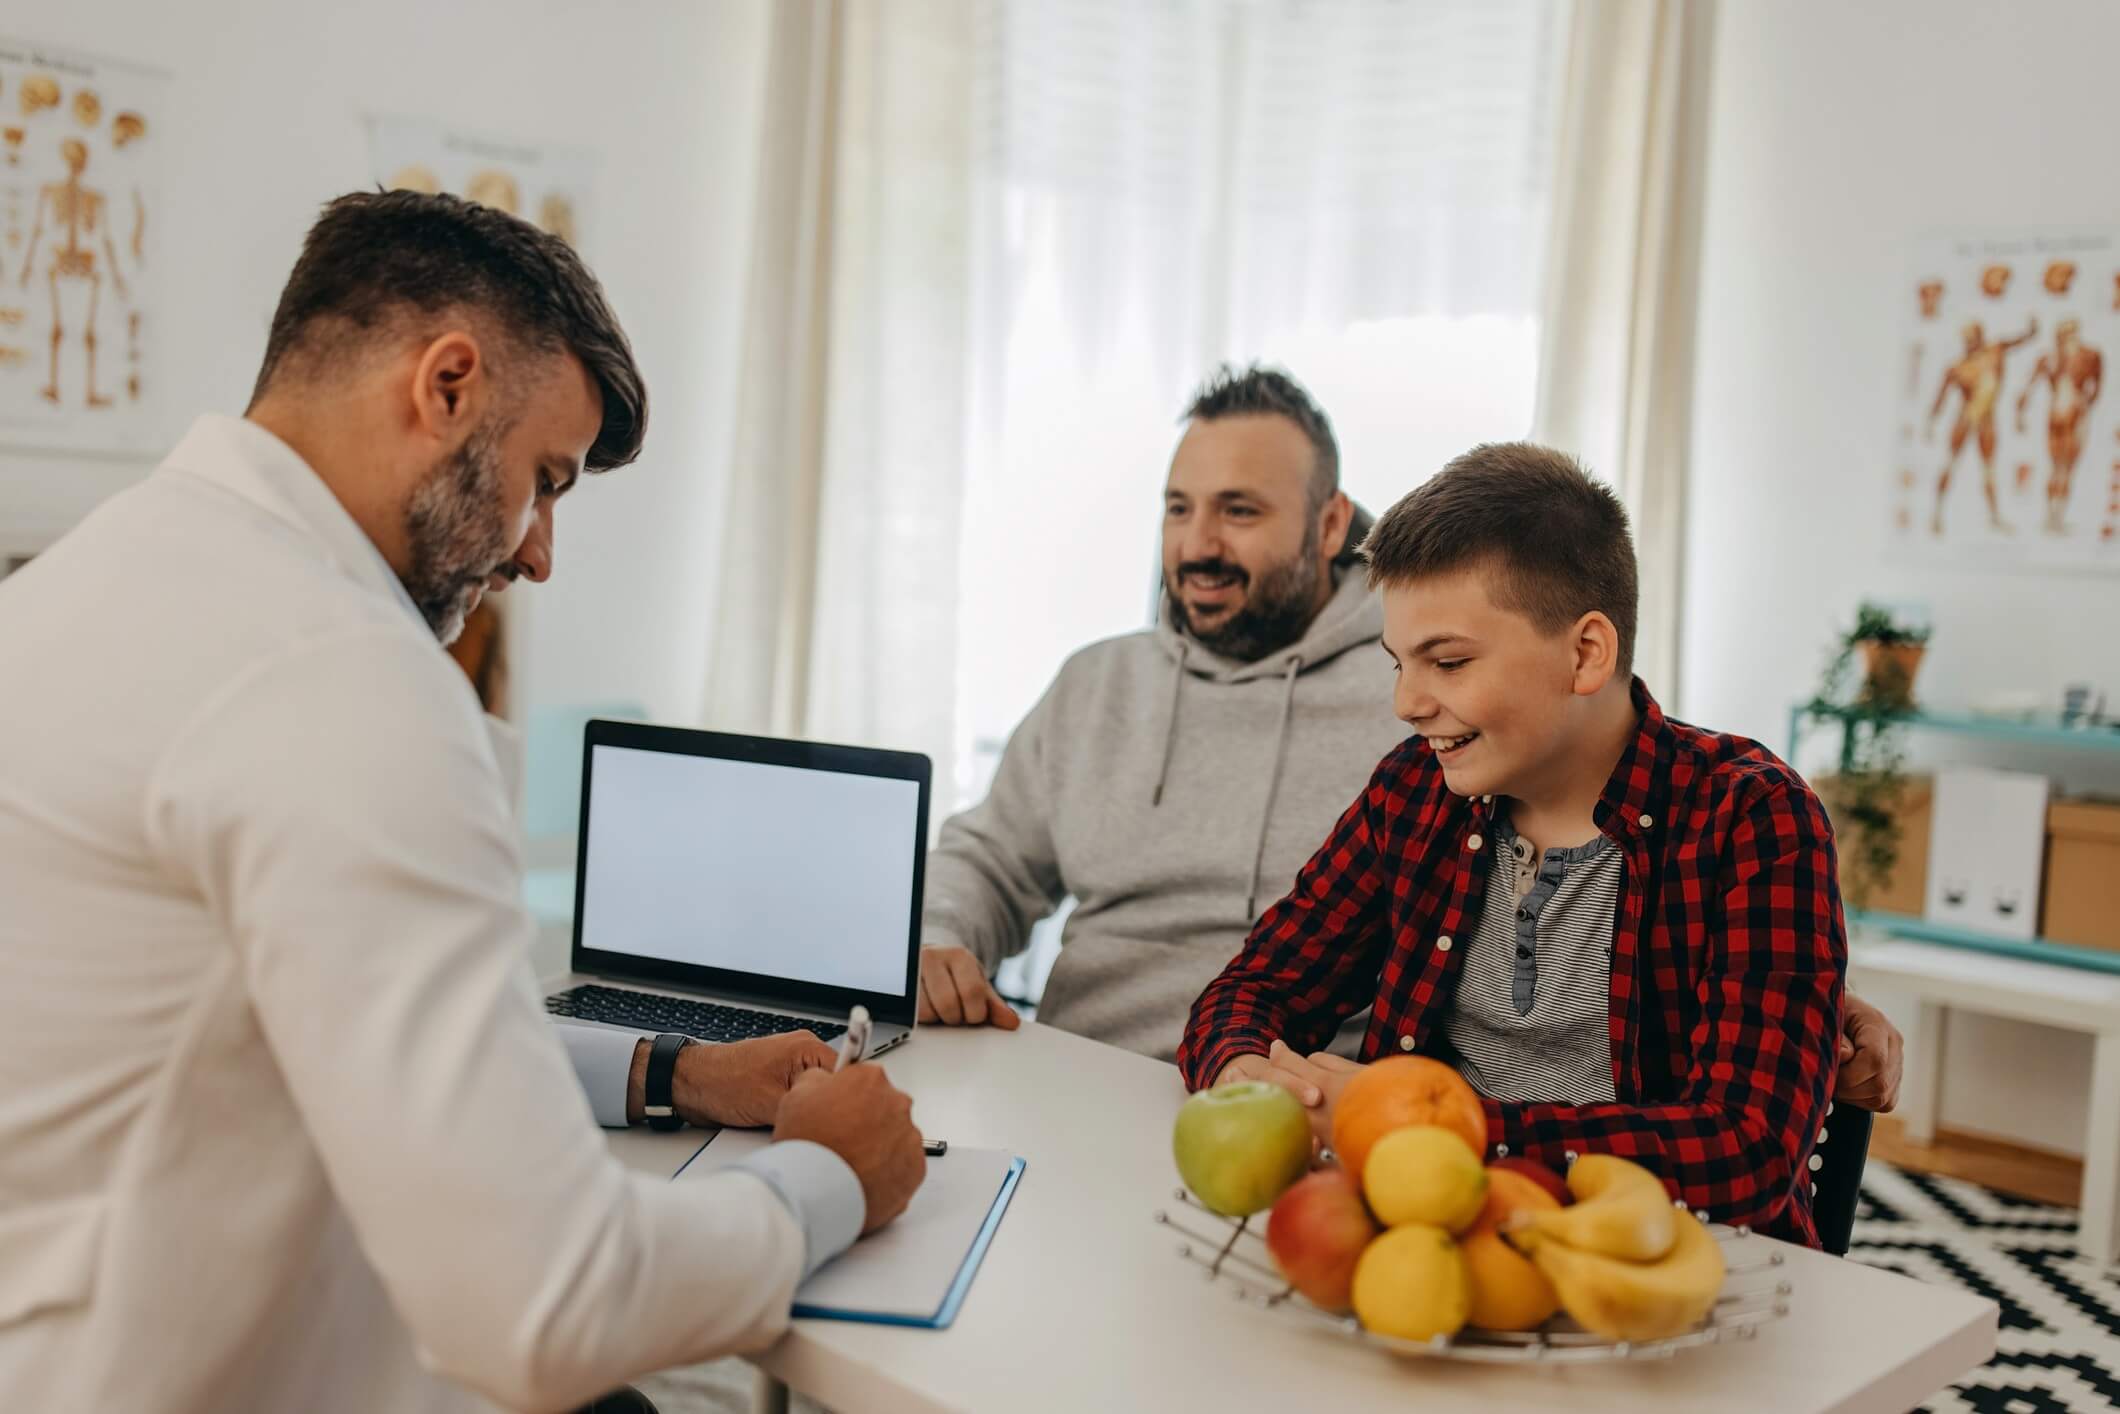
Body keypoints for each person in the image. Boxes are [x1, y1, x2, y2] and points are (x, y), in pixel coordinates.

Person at [0, 191, 925, 1413]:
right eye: (545, 479)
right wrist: (827, 1179)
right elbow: (548, 1303)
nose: (539, 553)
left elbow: (326, 1010)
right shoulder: (342, 675)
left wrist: (675, 1074)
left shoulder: (88, 580)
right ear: (446, 384)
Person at [918, 367, 1904, 1114]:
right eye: (1178, 509)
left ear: (1327, 523)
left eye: (1240, 511)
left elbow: (1636, 803)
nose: (1197, 543)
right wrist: (935, 939)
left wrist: (1795, 989)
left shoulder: (1475, 738)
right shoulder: (1114, 688)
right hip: (1138, 1097)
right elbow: (996, 862)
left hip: (1403, 1145)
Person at [1180, 443, 1850, 1246]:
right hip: (1445, 1243)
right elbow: (1254, 985)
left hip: (1668, 1277)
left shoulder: (1752, 818)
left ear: (1585, 654)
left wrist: (1441, 1132)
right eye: (1399, 663)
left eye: (1449, 662)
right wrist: (1243, 1068)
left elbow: (1746, 1155)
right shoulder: (1413, 792)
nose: (1407, 702)